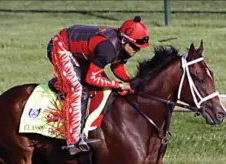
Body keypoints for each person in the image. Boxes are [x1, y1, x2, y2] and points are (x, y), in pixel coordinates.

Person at [47, 16, 150, 155]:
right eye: (134, 46)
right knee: (78, 89)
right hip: (60, 46)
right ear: (124, 40)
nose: (136, 51)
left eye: (139, 48)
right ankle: (73, 141)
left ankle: (89, 130)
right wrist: (118, 85)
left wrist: (130, 82)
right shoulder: (107, 48)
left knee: (102, 88)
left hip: (80, 53)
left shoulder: (124, 45)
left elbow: (117, 65)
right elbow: (91, 78)